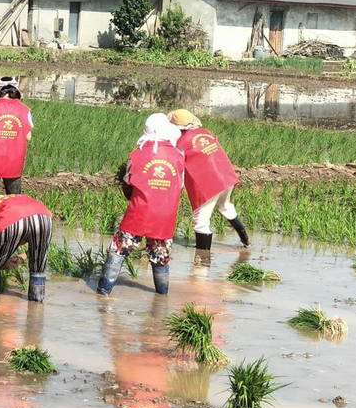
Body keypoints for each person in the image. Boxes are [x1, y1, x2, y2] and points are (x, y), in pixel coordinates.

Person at [98, 113, 185, 297]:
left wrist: (132, 197)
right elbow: (180, 186)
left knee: (118, 249)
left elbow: (127, 183)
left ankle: (103, 292)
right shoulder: (179, 155)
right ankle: (161, 297)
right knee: (161, 256)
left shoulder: (137, 154)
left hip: (139, 211)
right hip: (166, 215)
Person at [168, 109, 249, 252]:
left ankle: (202, 262)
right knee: (225, 206)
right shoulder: (205, 132)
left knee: (200, 223)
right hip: (226, 176)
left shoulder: (180, 143)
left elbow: (177, 169)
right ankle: (246, 241)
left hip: (210, 183)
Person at [0, 194, 53, 303]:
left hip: (14, 218)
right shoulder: (12, 199)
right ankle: (36, 303)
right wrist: (22, 257)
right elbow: (38, 248)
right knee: (38, 266)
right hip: (45, 218)